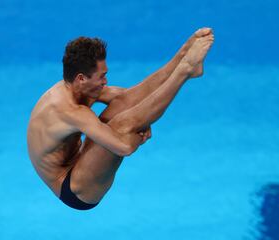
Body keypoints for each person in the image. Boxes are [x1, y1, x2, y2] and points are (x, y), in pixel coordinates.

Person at [27, 28, 214, 210]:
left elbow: (127, 97)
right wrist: (139, 130)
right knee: (121, 124)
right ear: (82, 78)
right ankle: (185, 71)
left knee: (124, 104)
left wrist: (144, 113)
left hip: (79, 160)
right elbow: (124, 147)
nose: (105, 81)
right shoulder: (70, 111)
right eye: (102, 76)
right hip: (73, 189)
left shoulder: (73, 86)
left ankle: (181, 59)